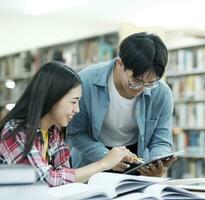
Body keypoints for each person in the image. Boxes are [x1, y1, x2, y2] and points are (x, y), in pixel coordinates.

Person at [0, 62, 136, 187]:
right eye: (73, 102)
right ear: (52, 97)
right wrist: (103, 163)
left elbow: (63, 176)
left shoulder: (54, 133)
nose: (77, 109)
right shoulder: (15, 131)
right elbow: (43, 180)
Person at [68, 32, 176, 177]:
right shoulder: (86, 81)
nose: (142, 89)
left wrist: (157, 162)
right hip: (92, 161)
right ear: (120, 64)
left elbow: (161, 140)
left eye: (150, 83)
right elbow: (76, 134)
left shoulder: (162, 93)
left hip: (135, 161)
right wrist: (106, 157)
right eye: (136, 82)